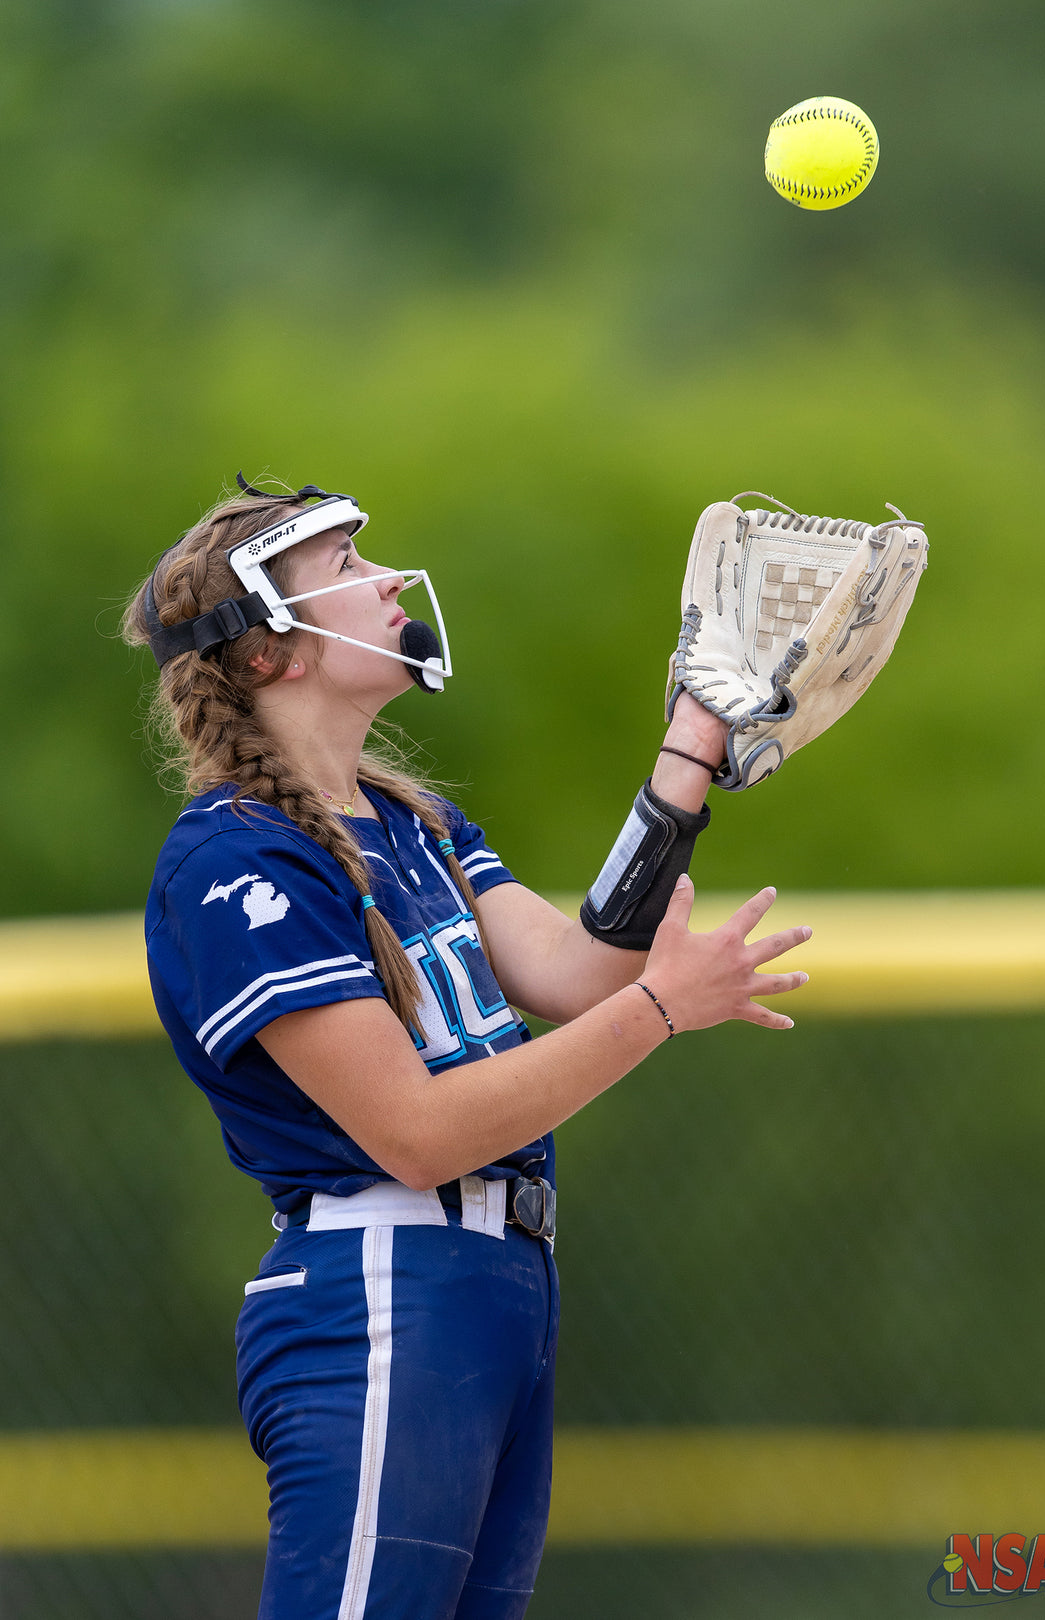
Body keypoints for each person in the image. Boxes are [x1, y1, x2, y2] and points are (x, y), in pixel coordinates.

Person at [123, 474, 810, 1620]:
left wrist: (689, 746)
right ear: (263, 654)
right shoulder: (236, 859)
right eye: (342, 568)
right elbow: (419, 1133)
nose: (385, 578)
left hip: (495, 1288)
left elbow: (583, 971)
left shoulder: (411, 824)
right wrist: (661, 1011)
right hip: (382, 1288)